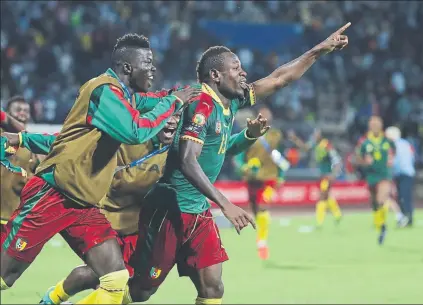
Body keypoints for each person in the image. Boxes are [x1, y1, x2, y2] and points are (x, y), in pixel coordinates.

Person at [127, 23, 351, 305]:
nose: (244, 73)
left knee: (213, 288)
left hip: (197, 212)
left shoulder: (230, 102)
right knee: (141, 292)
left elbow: (279, 79)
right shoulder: (201, 104)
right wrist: (226, 203)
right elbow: (187, 160)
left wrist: (319, 50)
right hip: (171, 208)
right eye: (236, 68)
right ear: (216, 75)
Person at [0, 33, 198, 305]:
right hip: (52, 194)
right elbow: (135, 131)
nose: (153, 68)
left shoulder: (125, 97)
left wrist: (179, 94)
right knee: (3, 277)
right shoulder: (104, 90)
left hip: (83, 205)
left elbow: (64, 140)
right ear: (127, 67)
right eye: (148, 62)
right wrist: (173, 102)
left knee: (115, 280)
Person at [233, 106, 290, 260]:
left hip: (270, 178)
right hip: (252, 178)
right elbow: (238, 155)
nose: (266, 116)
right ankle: (261, 234)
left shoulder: (276, 136)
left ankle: (262, 242)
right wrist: (243, 167)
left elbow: (280, 156)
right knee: (255, 210)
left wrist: (282, 176)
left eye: (268, 113)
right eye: (263, 114)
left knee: (264, 205)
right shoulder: (248, 134)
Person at [355, 116, 404, 245]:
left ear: (381, 126)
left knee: (382, 198)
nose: (375, 126)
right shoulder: (365, 142)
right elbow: (357, 158)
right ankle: (379, 224)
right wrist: (364, 161)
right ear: (370, 126)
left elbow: (395, 151)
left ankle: (383, 227)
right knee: (374, 202)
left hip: (384, 174)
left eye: (377, 124)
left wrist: (391, 159)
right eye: (372, 124)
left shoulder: (387, 141)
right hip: (371, 175)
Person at [288, 129, 342, 228]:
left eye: (316, 134)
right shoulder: (315, 144)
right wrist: (295, 139)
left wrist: (334, 174)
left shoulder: (326, 145)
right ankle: (337, 214)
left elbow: (336, 158)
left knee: (322, 195)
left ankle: (319, 221)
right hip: (322, 174)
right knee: (326, 195)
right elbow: (305, 147)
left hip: (327, 175)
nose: (314, 136)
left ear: (321, 135)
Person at [385, 126, 415, 227]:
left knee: (402, 195)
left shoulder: (394, 145)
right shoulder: (406, 143)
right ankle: (407, 217)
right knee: (405, 195)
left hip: (401, 173)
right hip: (408, 172)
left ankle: (405, 218)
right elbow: (412, 156)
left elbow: (394, 160)